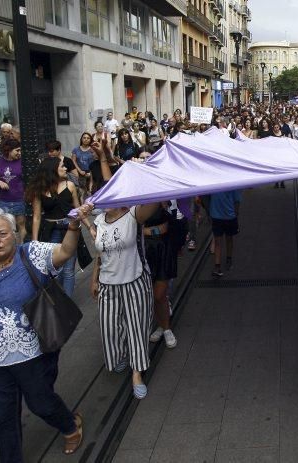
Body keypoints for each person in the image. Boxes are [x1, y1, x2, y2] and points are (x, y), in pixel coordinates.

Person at [0, 205, 92, 461]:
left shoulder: (30, 254)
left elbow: (66, 251)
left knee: (41, 403)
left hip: (33, 352)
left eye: (2, 233)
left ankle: (69, 424)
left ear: (15, 233)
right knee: (3, 417)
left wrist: (74, 226)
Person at [91, 145, 159, 399]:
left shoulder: (133, 215)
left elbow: (153, 198)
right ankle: (120, 356)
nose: (106, 198)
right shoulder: (99, 220)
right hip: (108, 285)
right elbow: (102, 251)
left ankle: (137, 371)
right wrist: (95, 278)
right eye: (103, 194)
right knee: (109, 328)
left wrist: (147, 173)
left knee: (137, 327)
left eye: (111, 194)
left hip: (134, 282)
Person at [27, 156, 94, 297]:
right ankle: (58, 300)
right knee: (54, 269)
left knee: (69, 270)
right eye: (62, 166)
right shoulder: (40, 190)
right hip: (51, 231)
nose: (65, 168)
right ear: (53, 170)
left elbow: (78, 209)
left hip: (69, 229)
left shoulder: (69, 185)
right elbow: (37, 216)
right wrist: (34, 242)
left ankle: (67, 302)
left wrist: (90, 227)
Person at [144, 202, 178, 349]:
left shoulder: (161, 195)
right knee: (150, 294)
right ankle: (161, 325)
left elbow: (169, 224)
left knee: (159, 294)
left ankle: (166, 328)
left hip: (162, 248)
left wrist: (148, 231)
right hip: (142, 250)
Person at [0, 138, 26, 243]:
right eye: (17, 150)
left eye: (20, 150)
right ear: (8, 150)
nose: (20, 153)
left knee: (21, 224)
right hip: (3, 200)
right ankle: (10, 249)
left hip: (19, 198)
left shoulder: (23, 161)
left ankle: (21, 248)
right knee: (6, 226)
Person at [206, 189, 242, 277]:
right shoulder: (214, 184)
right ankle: (217, 266)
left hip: (229, 216)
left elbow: (237, 200)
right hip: (217, 216)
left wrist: (235, 214)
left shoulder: (232, 184)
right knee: (218, 241)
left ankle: (229, 258)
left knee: (229, 239)